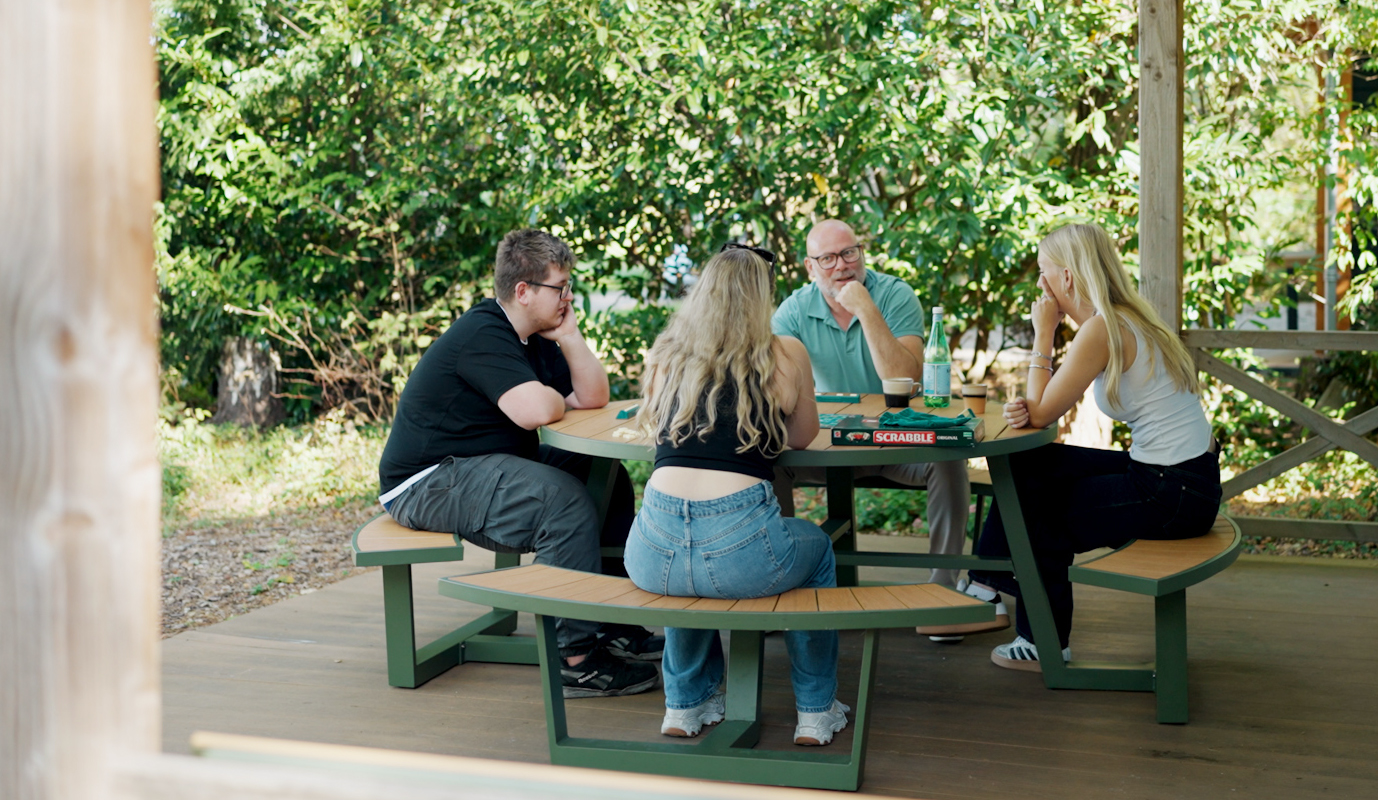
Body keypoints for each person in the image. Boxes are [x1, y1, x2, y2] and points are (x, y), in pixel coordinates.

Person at [378, 228, 661, 698]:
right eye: (559, 288)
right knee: (563, 502)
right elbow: (537, 412)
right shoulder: (484, 332)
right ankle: (575, 660)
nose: (568, 296)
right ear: (523, 291)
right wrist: (552, 398)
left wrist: (570, 337)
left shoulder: (538, 337)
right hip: (427, 480)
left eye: (569, 286)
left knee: (603, 475)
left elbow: (592, 397)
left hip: (481, 463)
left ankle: (611, 623)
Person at [967, 221, 1221, 670]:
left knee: (1040, 515)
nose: (1040, 285)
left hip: (1170, 492)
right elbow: (1040, 410)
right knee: (1031, 462)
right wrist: (1032, 407)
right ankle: (987, 577)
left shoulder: (1102, 329)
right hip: (1185, 479)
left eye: (1044, 272)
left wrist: (1042, 332)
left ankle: (1037, 638)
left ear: (1067, 276)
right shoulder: (1129, 317)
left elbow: (1042, 413)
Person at [625, 243, 850, 746]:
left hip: (650, 550)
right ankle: (816, 710)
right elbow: (802, 437)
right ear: (762, 298)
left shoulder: (667, 355)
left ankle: (685, 704)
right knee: (817, 550)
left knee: (686, 570)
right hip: (741, 553)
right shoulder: (785, 353)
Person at [771, 219, 972, 599]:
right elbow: (778, 393)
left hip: (895, 441)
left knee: (949, 458)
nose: (842, 265)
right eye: (828, 258)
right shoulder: (793, 311)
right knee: (768, 462)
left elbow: (906, 379)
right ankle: (782, 584)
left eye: (849, 253)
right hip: (825, 446)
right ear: (809, 267)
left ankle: (945, 589)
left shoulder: (894, 295)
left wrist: (865, 309)